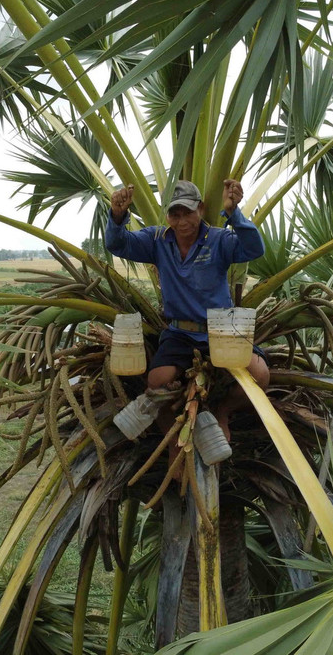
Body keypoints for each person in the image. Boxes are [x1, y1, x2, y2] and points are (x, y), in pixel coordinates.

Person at [105, 179, 271, 461]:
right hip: (180, 332)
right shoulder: (157, 240)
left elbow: (254, 249)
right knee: (157, 382)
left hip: (221, 330)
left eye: (188, 212)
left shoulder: (219, 239)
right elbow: (117, 244)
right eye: (175, 214)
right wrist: (118, 216)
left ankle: (222, 413)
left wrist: (235, 214)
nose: (182, 221)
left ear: (201, 209)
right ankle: (173, 443)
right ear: (167, 215)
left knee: (260, 375)